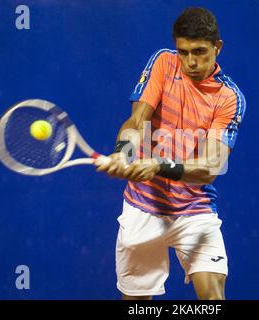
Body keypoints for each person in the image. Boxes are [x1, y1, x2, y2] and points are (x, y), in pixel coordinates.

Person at [97, 7, 246, 300]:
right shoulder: (164, 62)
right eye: (184, 52)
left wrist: (157, 166)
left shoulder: (230, 99)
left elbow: (210, 167)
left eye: (200, 52)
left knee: (214, 299)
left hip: (194, 211)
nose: (191, 62)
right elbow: (136, 121)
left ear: (218, 47)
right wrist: (123, 152)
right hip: (142, 208)